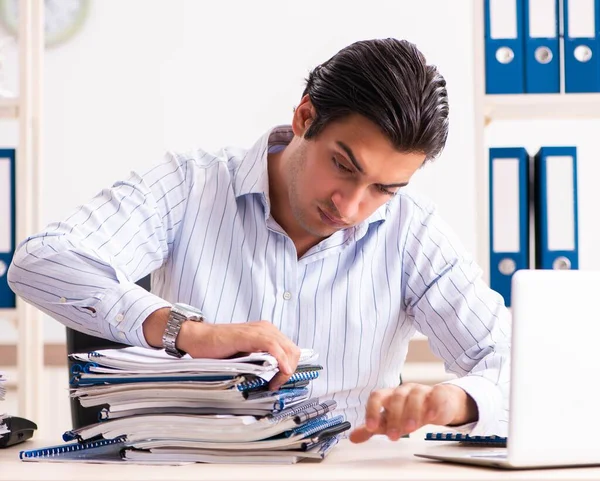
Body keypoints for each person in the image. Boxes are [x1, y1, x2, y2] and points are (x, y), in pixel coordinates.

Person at [7, 38, 510, 443]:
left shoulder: (413, 231)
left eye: (383, 188)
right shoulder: (189, 186)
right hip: (192, 472)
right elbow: (38, 261)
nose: (351, 206)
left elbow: (517, 365)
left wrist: (462, 400)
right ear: (305, 118)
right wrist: (186, 331)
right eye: (343, 165)